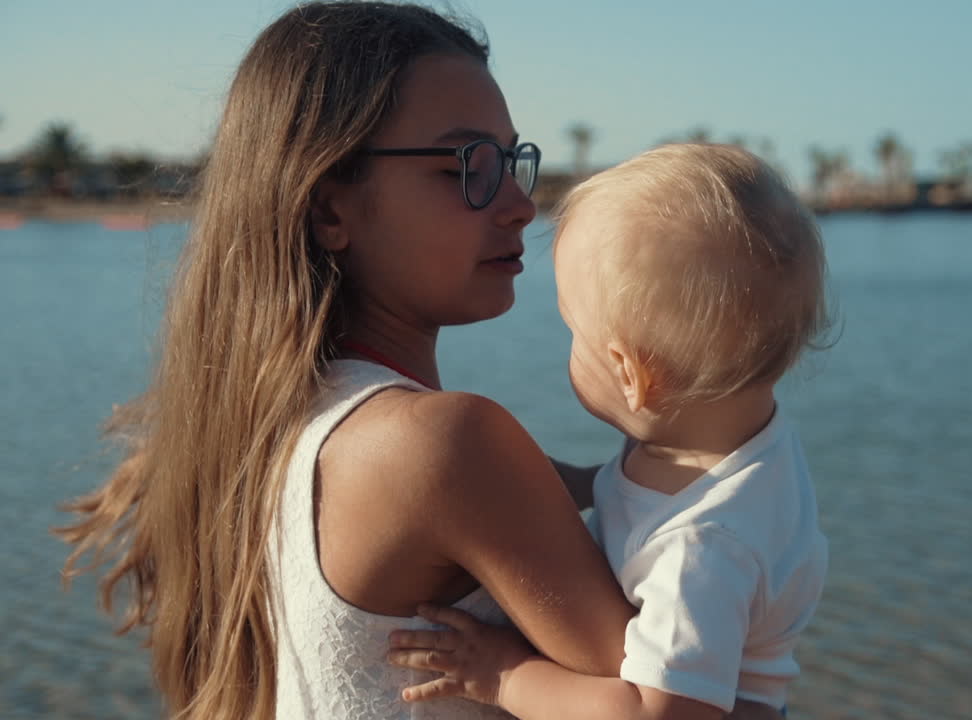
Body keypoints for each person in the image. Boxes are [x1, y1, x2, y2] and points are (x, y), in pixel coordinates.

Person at [55, 3, 640, 719]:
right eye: (468, 165)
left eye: (511, 159)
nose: (521, 204)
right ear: (330, 208)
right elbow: (686, 704)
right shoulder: (441, 444)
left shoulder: (257, 430)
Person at [387, 143, 831, 719]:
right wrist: (541, 484)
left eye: (573, 330)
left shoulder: (702, 552)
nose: (568, 344)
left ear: (630, 374)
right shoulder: (729, 435)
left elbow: (652, 714)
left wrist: (504, 676)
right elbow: (631, 497)